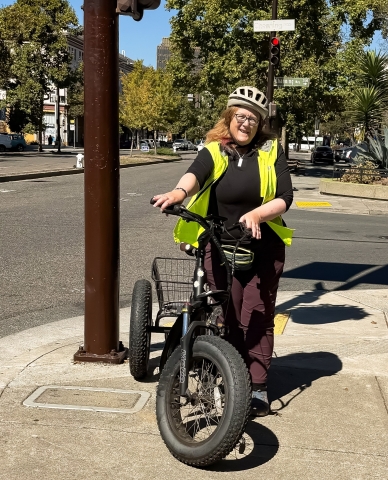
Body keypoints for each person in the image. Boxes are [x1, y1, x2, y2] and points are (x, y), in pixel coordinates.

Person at [152, 86, 294, 416]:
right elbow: (195, 174)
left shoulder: (272, 152)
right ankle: (227, 374)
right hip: (218, 244)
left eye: (253, 119)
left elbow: (285, 197)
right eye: (240, 116)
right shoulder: (215, 150)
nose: (245, 123)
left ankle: (257, 387)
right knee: (223, 314)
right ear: (229, 118)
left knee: (255, 317)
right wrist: (177, 193)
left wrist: (258, 214)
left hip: (263, 246)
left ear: (260, 124)